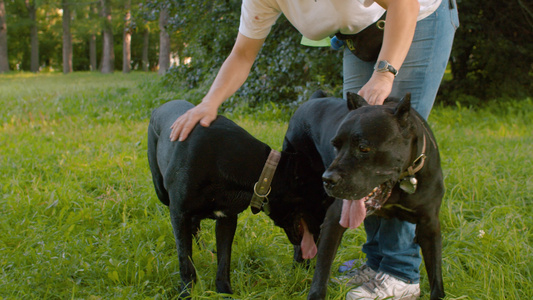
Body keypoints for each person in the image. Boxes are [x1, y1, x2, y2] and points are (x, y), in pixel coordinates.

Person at [169, 0, 459, 299]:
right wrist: (209, 102)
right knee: (359, 163)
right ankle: (376, 263)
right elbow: (243, 53)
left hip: (417, 17)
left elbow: (404, 4)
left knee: (393, 147)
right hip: (361, 35)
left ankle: (399, 273)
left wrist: (384, 74)